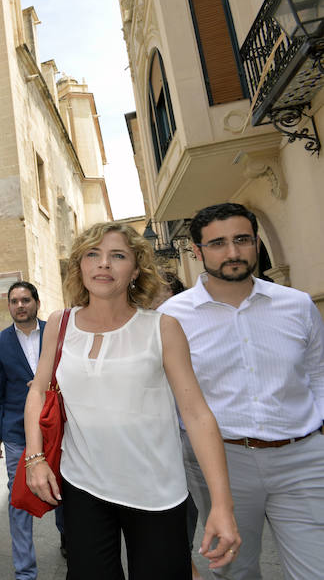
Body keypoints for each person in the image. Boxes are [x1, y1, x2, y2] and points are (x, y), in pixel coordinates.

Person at [24, 221, 240, 579]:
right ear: (80, 265)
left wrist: (221, 504)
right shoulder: (60, 323)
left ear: (136, 269)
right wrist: (34, 458)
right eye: (93, 254)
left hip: (157, 491)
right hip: (83, 486)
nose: (103, 264)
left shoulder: (162, 327)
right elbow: (37, 390)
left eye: (117, 256)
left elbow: (197, 415)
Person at [158, 203, 324, 580]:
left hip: (303, 459)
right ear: (197, 252)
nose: (232, 253)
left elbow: (319, 374)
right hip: (221, 464)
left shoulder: (296, 305)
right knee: (236, 571)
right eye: (218, 243)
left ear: (255, 242)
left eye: (242, 240)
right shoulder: (172, 317)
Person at [0, 280, 64, 579]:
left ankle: (70, 541)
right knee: (18, 498)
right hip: (17, 434)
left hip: (59, 429)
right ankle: (25, 571)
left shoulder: (56, 333)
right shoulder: (0, 343)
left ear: (36, 303)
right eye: (14, 301)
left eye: (25, 300)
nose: (20, 305)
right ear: (9, 306)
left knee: (64, 493)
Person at [151, 271, 201, 580]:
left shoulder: (186, 323)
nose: (154, 298)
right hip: (163, 438)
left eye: (160, 292)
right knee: (177, 512)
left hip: (195, 431)